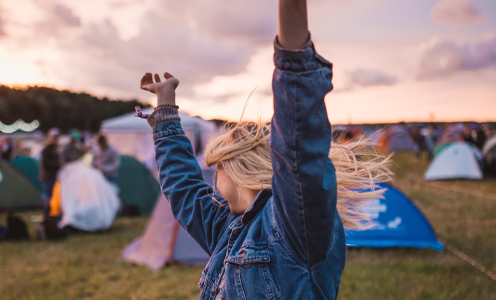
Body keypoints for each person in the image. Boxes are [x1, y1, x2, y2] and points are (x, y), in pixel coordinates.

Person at [138, 1, 391, 298]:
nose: (210, 176)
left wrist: (293, 48)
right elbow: (183, 188)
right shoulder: (228, 228)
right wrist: (165, 108)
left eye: (214, 166)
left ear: (232, 168)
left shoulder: (293, 225)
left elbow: (299, 145)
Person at [40, 130, 62, 200]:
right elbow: (46, 163)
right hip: (48, 176)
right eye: (54, 138)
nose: (56, 140)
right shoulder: (46, 150)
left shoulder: (55, 149)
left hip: (54, 176)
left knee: (53, 195)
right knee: (49, 195)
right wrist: (58, 165)